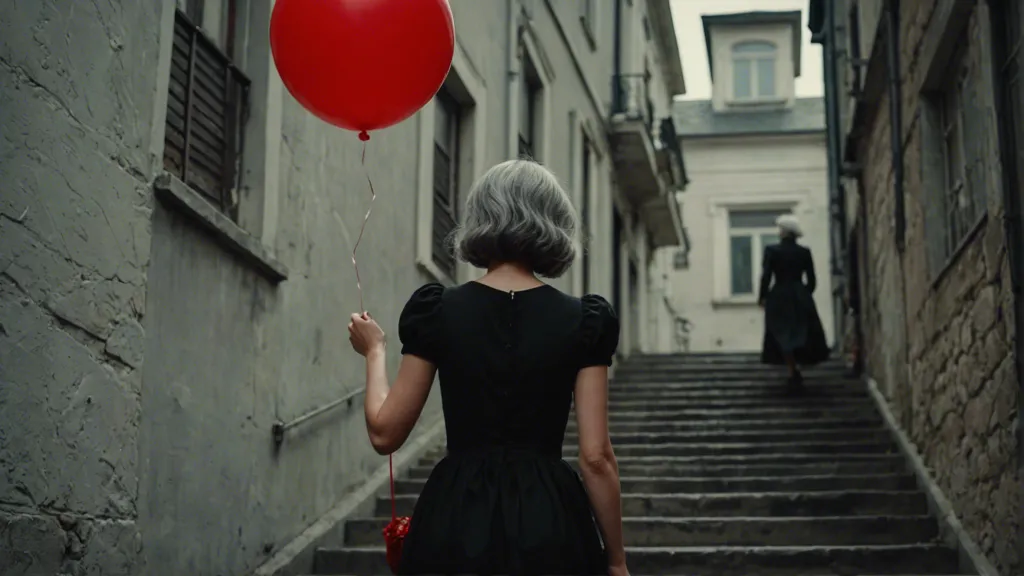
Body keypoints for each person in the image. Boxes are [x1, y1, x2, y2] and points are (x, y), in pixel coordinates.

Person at [347, 159, 627, 576]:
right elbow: (596, 457)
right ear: (554, 222)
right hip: (550, 518)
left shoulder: (436, 311)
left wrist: (375, 352)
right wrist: (617, 561)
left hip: (455, 516)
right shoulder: (585, 321)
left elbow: (385, 432)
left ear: (481, 217)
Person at [757, 214, 830, 391]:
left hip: (780, 294)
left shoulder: (772, 251)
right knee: (799, 331)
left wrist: (763, 296)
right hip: (799, 294)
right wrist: (804, 293)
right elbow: (812, 280)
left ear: (783, 232)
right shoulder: (804, 252)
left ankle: (792, 369)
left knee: (782, 332)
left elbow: (766, 276)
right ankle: (794, 368)